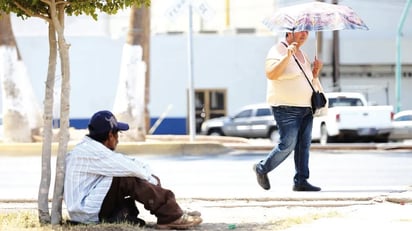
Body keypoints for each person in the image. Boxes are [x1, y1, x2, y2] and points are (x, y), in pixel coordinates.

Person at [64, 110, 202, 229]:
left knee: (125, 175)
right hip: (86, 213)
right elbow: (131, 168)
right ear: (110, 136)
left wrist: (149, 177)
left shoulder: (91, 148)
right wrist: (151, 179)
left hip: (85, 209)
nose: (118, 139)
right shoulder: (94, 153)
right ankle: (171, 215)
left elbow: (126, 162)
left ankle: (172, 212)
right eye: (118, 134)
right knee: (126, 177)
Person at [253, 31, 324, 192]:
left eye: (307, 31)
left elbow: (304, 79)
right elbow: (271, 74)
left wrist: (315, 72)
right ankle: (262, 168)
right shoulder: (277, 50)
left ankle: (301, 180)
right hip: (286, 107)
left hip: (306, 107)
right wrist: (287, 56)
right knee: (287, 144)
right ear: (289, 32)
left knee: (303, 146)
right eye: (301, 30)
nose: (305, 34)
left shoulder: (303, 54)